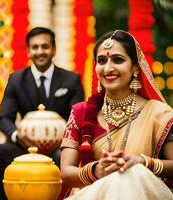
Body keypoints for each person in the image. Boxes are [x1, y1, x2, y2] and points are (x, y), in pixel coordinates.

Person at [60, 30, 173, 199]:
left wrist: (142, 163)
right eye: (102, 61)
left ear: (135, 66)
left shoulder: (159, 113)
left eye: (118, 60)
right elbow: (66, 172)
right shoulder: (80, 113)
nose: (108, 68)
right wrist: (95, 170)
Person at [0, 27, 85, 200]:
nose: (40, 52)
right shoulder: (16, 79)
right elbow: (4, 118)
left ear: (54, 50)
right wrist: (17, 135)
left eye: (45, 46)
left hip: (59, 147)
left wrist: (62, 139)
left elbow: (78, 117)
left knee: (63, 158)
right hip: (24, 146)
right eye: (35, 47)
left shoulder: (71, 79)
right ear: (28, 52)